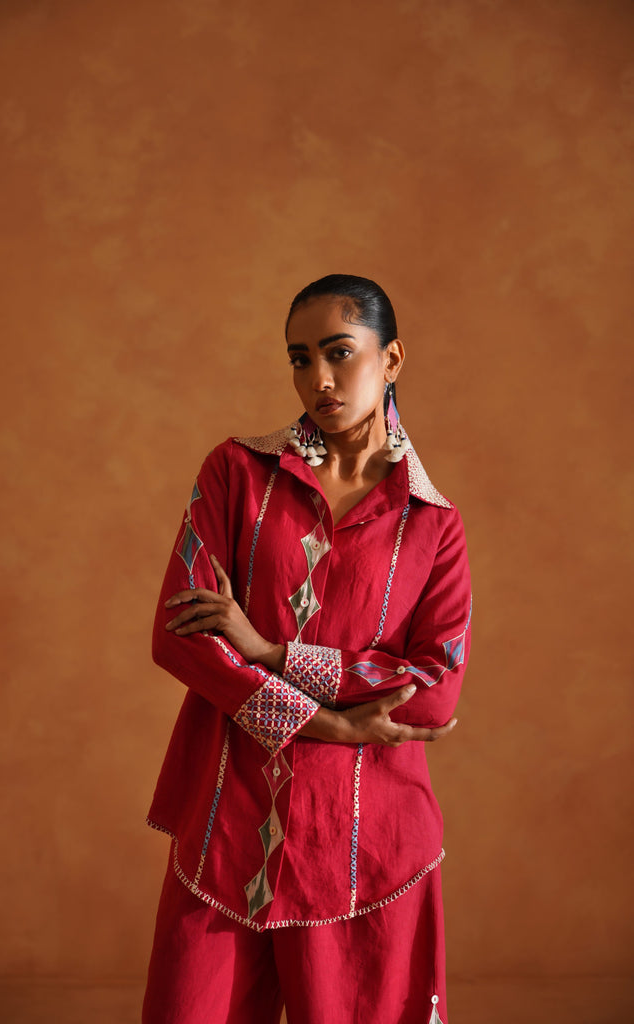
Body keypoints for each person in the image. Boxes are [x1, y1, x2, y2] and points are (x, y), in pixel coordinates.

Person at [142, 274, 472, 1024]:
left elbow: (433, 692)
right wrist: (334, 724)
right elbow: (179, 636)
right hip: (227, 828)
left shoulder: (432, 524)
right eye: (299, 358)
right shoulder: (236, 473)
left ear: (391, 360)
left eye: (338, 353)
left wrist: (270, 651)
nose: (317, 378)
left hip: (368, 845)